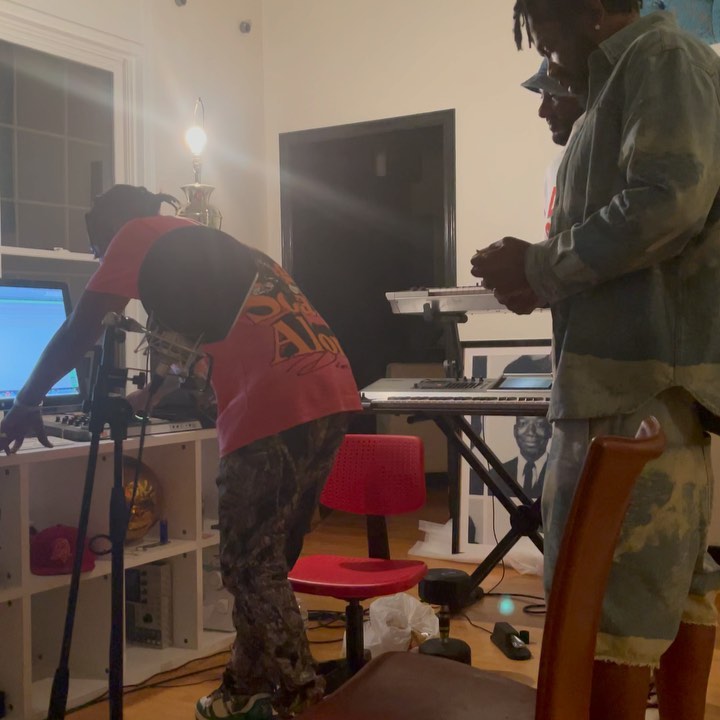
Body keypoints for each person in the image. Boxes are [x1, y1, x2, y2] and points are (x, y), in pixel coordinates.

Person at [0, 184, 361, 719]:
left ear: (111, 230)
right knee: (266, 560)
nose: (101, 263)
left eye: (98, 251)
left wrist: (26, 402)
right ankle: (242, 689)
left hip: (275, 401)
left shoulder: (135, 235)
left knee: (248, 565)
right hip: (331, 388)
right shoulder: (207, 244)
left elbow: (79, 330)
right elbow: (199, 343)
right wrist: (151, 394)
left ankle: (304, 700)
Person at [472, 2, 720, 719]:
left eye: (547, 33)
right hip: (634, 386)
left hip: (633, 388)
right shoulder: (628, 79)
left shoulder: (658, 59)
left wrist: (539, 266)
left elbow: (668, 203)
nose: (547, 55)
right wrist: (538, 278)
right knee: (671, 586)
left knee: (611, 610)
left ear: (585, 11)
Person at [521, 57, 585, 237]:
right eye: (542, 97)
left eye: (553, 96)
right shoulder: (555, 168)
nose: (542, 111)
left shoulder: (608, 158)